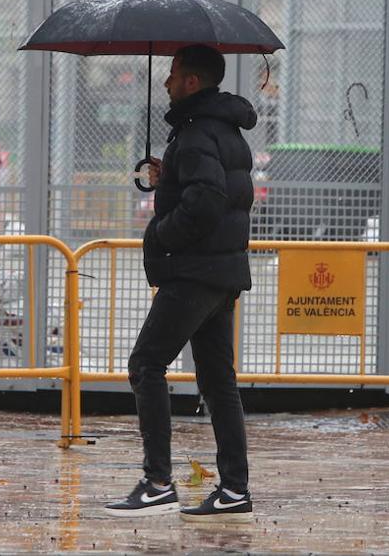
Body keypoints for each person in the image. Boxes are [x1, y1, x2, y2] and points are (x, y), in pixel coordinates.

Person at [103, 44, 257, 524]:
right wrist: (169, 177)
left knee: (146, 363)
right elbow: (215, 187)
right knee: (218, 381)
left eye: (173, 73)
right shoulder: (223, 129)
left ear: (192, 82)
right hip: (222, 272)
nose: (166, 81)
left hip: (194, 273)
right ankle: (234, 488)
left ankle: (157, 483)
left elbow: (208, 199)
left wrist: (160, 235)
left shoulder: (194, 133)